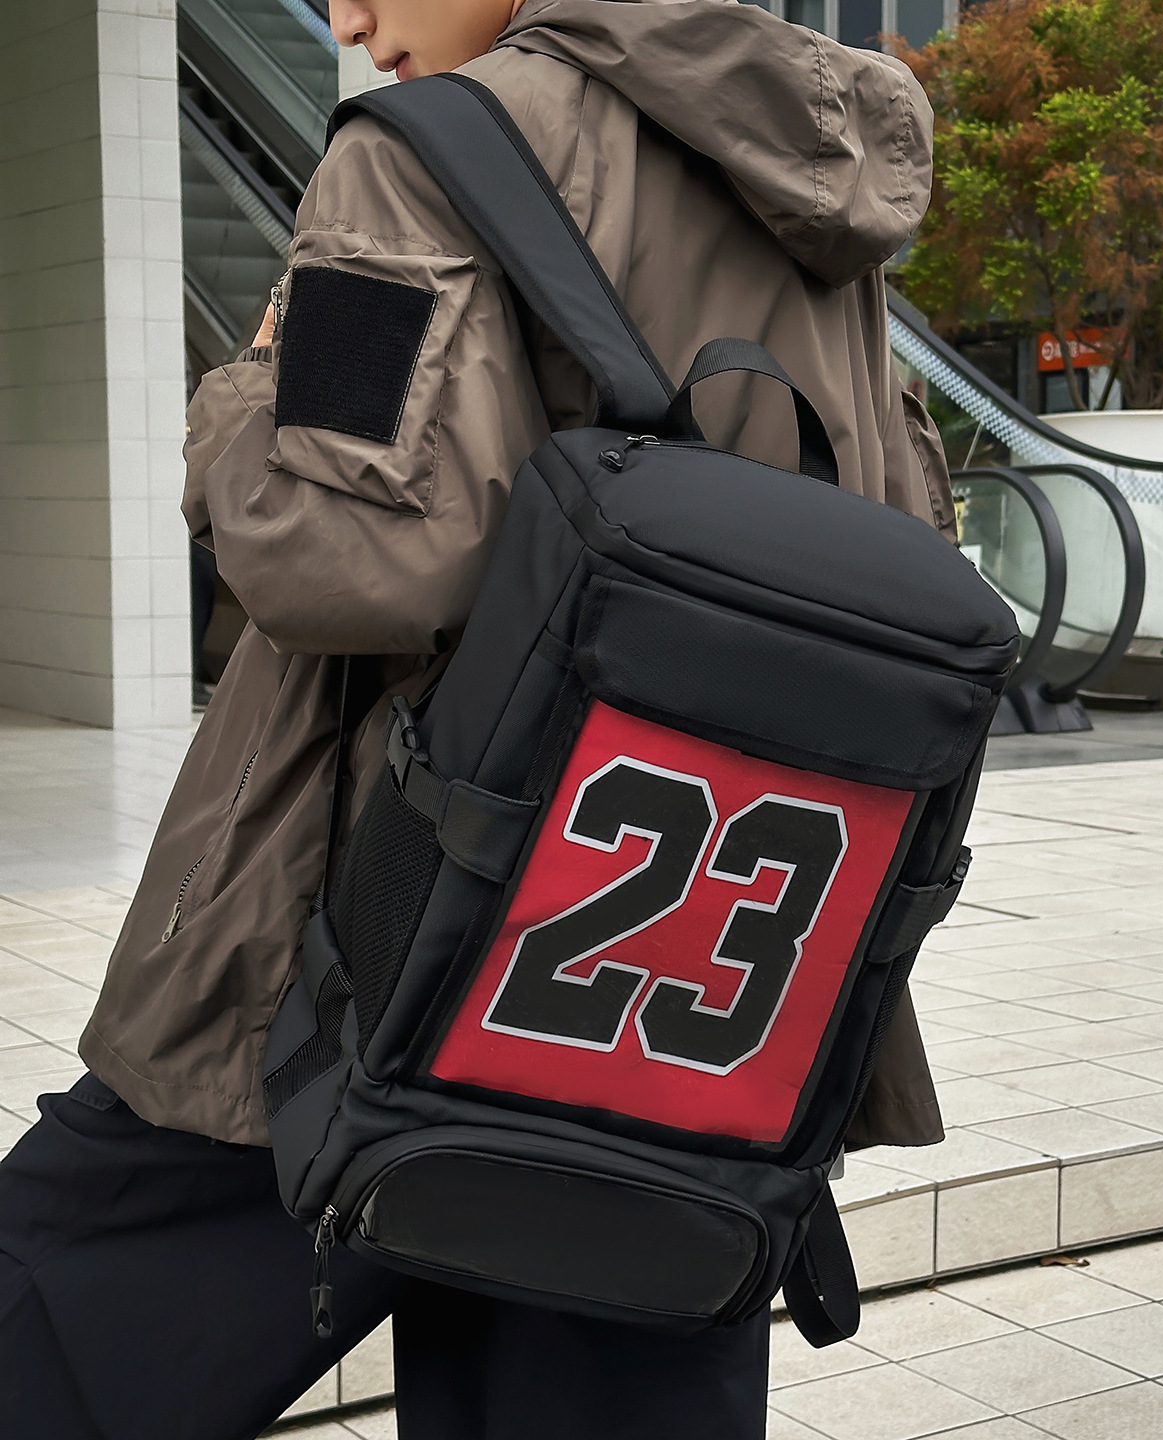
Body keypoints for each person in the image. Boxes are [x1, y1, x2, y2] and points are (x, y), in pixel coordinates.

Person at [0, 0, 955, 1435]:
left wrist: (241, 399)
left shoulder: (414, 158)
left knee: (51, 1314)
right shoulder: (808, 178)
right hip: (687, 979)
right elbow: (903, 524)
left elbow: (343, 557)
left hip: (371, 927)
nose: (346, 13)